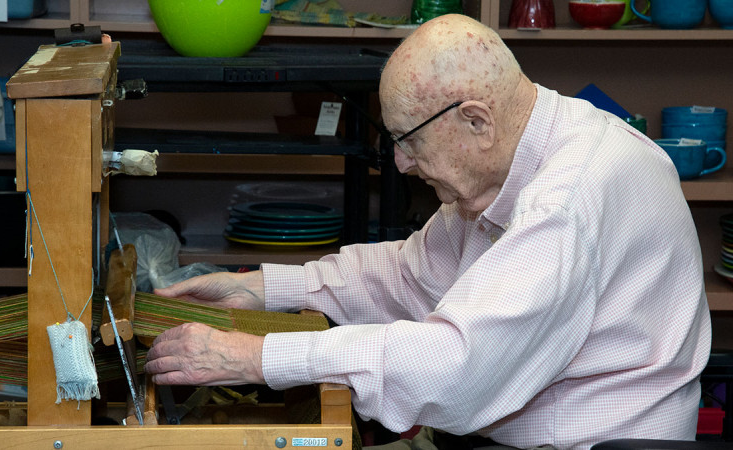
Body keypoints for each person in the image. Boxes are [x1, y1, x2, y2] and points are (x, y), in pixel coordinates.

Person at [144, 14, 711, 449]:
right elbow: (412, 273)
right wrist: (265, 288)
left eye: (408, 139)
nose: (400, 163)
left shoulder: (564, 199)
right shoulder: (512, 164)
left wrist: (260, 357)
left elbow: (456, 369)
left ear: (476, 121)